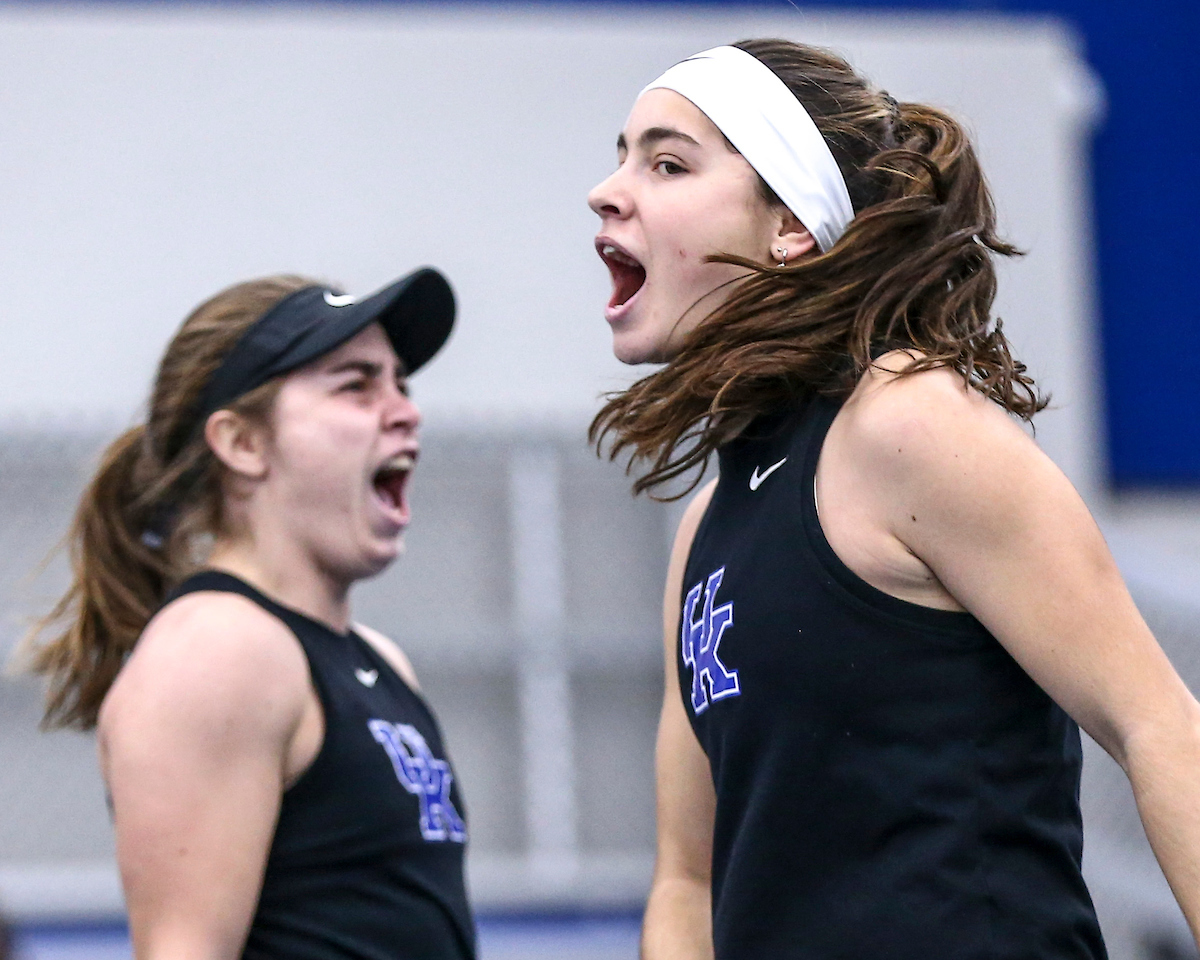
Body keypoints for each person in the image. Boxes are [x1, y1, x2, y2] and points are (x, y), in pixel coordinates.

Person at [587, 39, 1200, 959]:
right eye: (622, 153)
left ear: (790, 225)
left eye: (667, 162)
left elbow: (1156, 725)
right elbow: (687, 877)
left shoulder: (906, 422)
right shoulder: (705, 529)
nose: (609, 188)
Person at [24, 269, 474, 959]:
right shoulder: (217, 651)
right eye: (357, 385)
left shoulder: (380, 661)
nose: (405, 410)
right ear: (242, 444)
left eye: (401, 384)